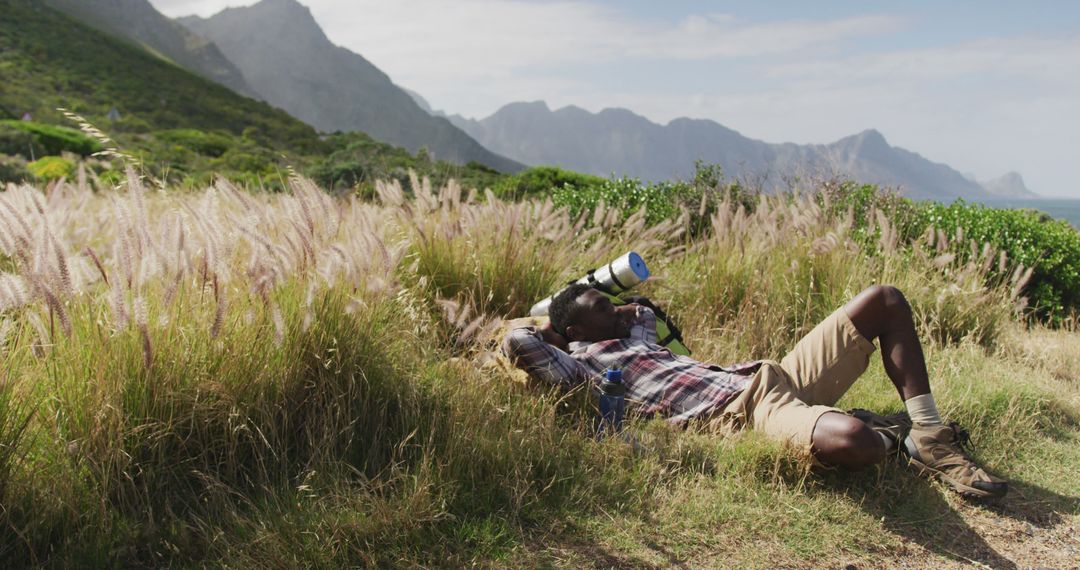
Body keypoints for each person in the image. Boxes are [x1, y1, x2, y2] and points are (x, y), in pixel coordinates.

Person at [502, 283, 1007, 499]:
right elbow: (518, 342)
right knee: (855, 442)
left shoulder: (633, 335)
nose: (615, 309)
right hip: (740, 413)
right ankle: (895, 439)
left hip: (769, 376)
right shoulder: (582, 366)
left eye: (611, 302)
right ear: (573, 332)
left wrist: (612, 308)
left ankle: (929, 433)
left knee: (885, 300)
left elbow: (643, 313)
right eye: (601, 307)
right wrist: (550, 327)